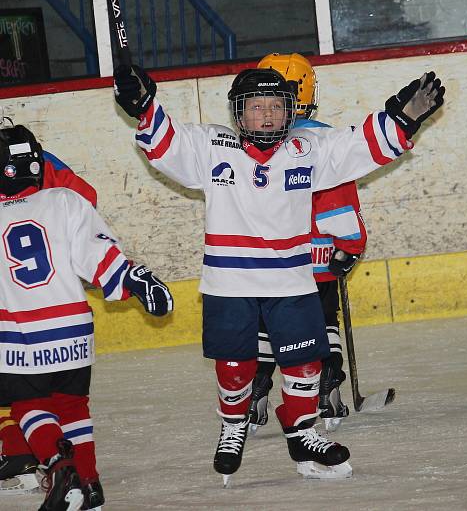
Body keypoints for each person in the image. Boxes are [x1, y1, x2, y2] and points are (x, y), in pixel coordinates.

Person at [112, 61, 444, 483]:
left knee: (306, 363)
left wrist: (402, 118)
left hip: (291, 279)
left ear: (290, 110)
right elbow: (167, 145)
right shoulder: (213, 146)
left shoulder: (308, 149)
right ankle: (233, 424)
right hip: (229, 283)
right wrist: (143, 107)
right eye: (256, 106)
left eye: (276, 105)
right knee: (235, 368)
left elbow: (355, 147)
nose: (267, 115)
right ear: (238, 112)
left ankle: (302, 432)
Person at [0, 121, 173, 510]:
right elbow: (100, 257)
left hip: (19, 331)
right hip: (74, 327)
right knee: (73, 407)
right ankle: (91, 486)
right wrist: (133, 278)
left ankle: (62, 470)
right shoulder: (65, 200)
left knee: (28, 406)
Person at [246, 53, 367, 434]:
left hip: (275, 257)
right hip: (320, 256)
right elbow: (338, 200)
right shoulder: (325, 138)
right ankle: (328, 386)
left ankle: (257, 390)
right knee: (321, 319)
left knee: (266, 322)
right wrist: (351, 244)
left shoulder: (255, 142)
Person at [0, 142, 98, 498]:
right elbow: (86, 196)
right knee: (68, 402)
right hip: (66, 310)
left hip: (18, 311)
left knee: (24, 395)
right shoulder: (58, 189)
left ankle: (24, 454)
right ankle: (85, 481)